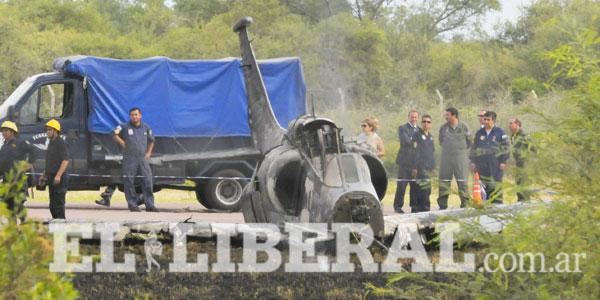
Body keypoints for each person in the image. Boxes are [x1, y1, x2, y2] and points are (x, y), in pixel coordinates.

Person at [114, 107, 159, 212]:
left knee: (147, 180)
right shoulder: (124, 126)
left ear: (140, 115)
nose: (134, 117)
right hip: (130, 158)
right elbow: (113, 133)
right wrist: (122, 143)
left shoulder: (146, 127)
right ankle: (132, 204)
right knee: (129, 181)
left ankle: (150, 204)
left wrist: (148, 153)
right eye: (132, 115)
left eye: (136, 115)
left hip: (142, 158)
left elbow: (152, 140)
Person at [470, 111, 509, 204]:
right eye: (485, 119)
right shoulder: (479, 133)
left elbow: (506, 148)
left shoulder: (500, 132)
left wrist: (503, 161)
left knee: (495, 186)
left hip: (495, 164)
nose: (486, 121)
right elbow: (474, 148)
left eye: (488, 120)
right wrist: (472, 162)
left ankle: (497, 206)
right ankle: (485, 206)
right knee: (483, 186)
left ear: (494, 121)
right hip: (481, 165)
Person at [0, 121, 35, 220]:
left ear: (12, 132)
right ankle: (14, 232)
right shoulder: (4, 146)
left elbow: (34, 151)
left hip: (18, 182)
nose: (3, 133)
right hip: (7, 183)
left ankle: (25, 229)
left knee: (19, 207)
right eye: (2, 131)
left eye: (5, 130)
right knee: (9, 210)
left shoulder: (20, 143)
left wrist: (30, 163)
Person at [438, 107, 471, 209]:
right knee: (444, 181)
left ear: (454, 115)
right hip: (446, 158)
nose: (445, 117)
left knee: (462, 181)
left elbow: (469, 142)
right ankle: (443, 205)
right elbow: (441, 142)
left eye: (447, 115)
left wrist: (460, 151)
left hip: (460, 158)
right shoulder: (443, 128)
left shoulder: (464, 127)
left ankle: (465, 204)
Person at [40, 119, 69, 219]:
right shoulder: (51, 143)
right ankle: (56, 228)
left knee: (58, 206)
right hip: (51, 178)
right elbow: (50, 162)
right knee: (52, 206)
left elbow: (65, 160)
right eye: (47, 130)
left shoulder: (60, 143)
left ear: (55, 131)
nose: (47, 132)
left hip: (59, 180)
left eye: (49, 130)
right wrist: (44, 175)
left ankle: (61, 229)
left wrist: (58, 175)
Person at [393, 110, 420, 213]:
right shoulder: (402, 128)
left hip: (415, 163)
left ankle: (414, 206)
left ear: (417, 118)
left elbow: (419, 146)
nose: (413, 119)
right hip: (404, 162)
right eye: (412, 117)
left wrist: (414, 140)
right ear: (408, 117)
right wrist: (415, 141)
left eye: (415, 117)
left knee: (414, 186)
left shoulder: (419, 130)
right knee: (402, 185)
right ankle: (398, 206)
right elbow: (406, 142)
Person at [408, 115, 435, 213]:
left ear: (430, 124)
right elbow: (415, 152)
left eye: (428, 122)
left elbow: (432, 153)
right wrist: (414, 167)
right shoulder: (417, 135)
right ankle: (416, 208)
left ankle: (425, 208)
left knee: (427, 189)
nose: (426, 123)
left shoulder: (430, 137)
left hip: (428, 167)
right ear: (421, 123)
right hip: (419, 167)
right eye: (424, 121)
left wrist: (433, 167)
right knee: (417, 189)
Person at [508, 118, 533, 201]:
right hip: (518, 164)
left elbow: (533, 149)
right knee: (518, 184)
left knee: (524, 184)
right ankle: (520, 202)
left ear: (517, 124)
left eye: (511, 123)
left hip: (525, 164)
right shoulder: (512, 136)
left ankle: (526, 202)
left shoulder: (524, 136)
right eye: (509, 124)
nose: (509, 126)